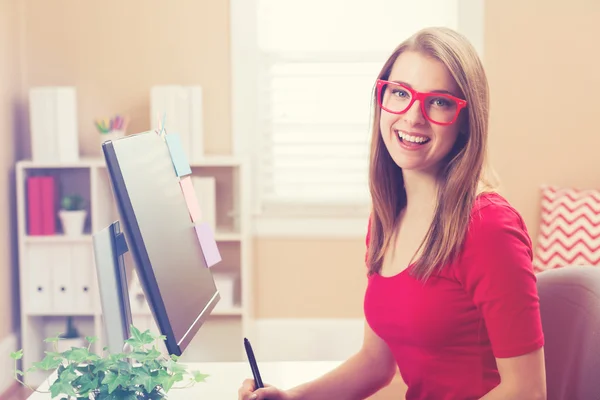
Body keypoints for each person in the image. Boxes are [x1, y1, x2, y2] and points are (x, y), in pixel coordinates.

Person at [238, 26, 547, 400]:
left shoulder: (489, 228)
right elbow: (375, 362)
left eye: (439, 101)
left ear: (467, 120)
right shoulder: (388, 215)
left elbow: (527, 391)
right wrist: (292, 398)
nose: (413, 116)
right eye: (400, 93)